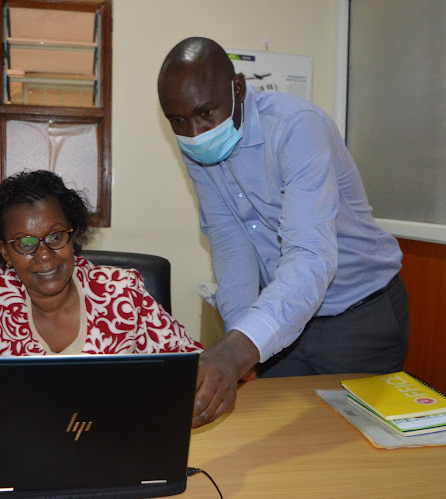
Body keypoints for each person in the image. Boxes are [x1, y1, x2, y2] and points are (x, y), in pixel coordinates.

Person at [157, 37, 409, 427]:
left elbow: (310, 255)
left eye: (205, 112)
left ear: (238, 88)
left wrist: (235, 351)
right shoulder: (197, 145)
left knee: (354, 454)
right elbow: (229, 239)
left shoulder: (297, 127)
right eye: (178, 120)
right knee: (267, 434)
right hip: (283, 317)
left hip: (359, 316)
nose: (194, 132)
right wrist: (240, 337)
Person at [0, 170, 202, 423]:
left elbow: (192, 365)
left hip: (116, 446)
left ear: (72, 236)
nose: (44, 255)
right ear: (4, 251)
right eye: (25, 243)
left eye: (55, 237)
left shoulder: (121, 291)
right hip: (22, 453)